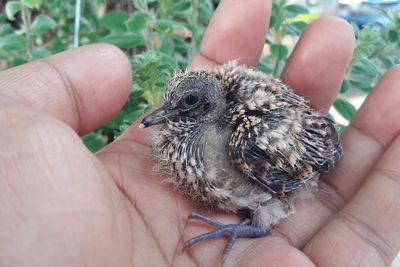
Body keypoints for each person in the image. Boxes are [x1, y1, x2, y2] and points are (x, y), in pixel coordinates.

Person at [0, 0, 399, 266]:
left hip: (289, 142)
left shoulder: (251, 144)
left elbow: (310, 162)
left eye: (184, 108)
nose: (166, 116)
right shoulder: (193, 112)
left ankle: (252, 223)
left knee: (260, 187)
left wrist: (246, 226)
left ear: (207, 105)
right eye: (173, 106)